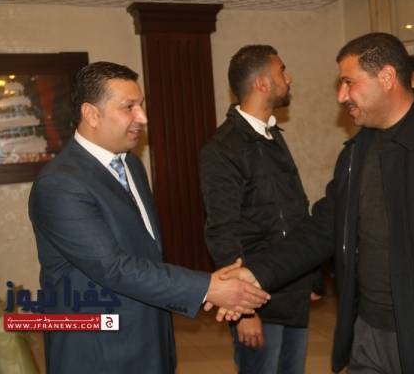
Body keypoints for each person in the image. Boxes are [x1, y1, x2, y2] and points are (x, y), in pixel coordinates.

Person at [221, 33, 414, 374]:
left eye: (348, 82)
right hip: (368, 335)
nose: (341, 96)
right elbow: (322, 229)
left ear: (386, 77)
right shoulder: (356, 153)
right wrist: (253, 274)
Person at [28, 61, 269, 374]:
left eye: (141, 105)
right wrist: (207, 287)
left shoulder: (130, 164)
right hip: (98, 351)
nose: (142, 117)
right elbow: (112, 267)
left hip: (150, 337)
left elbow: (145, 254)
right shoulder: (60, 183)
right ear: (91, 114)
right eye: (129, 107)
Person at [200, 45, 321, 374]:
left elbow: (293, 210)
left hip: (290, 284)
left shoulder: (271, 134)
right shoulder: (222, 148)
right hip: (255, 294)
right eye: (282, 71)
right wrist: (243, 310)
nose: (289, 78)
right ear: (262, 83)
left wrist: (310, 278)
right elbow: (223, 231)